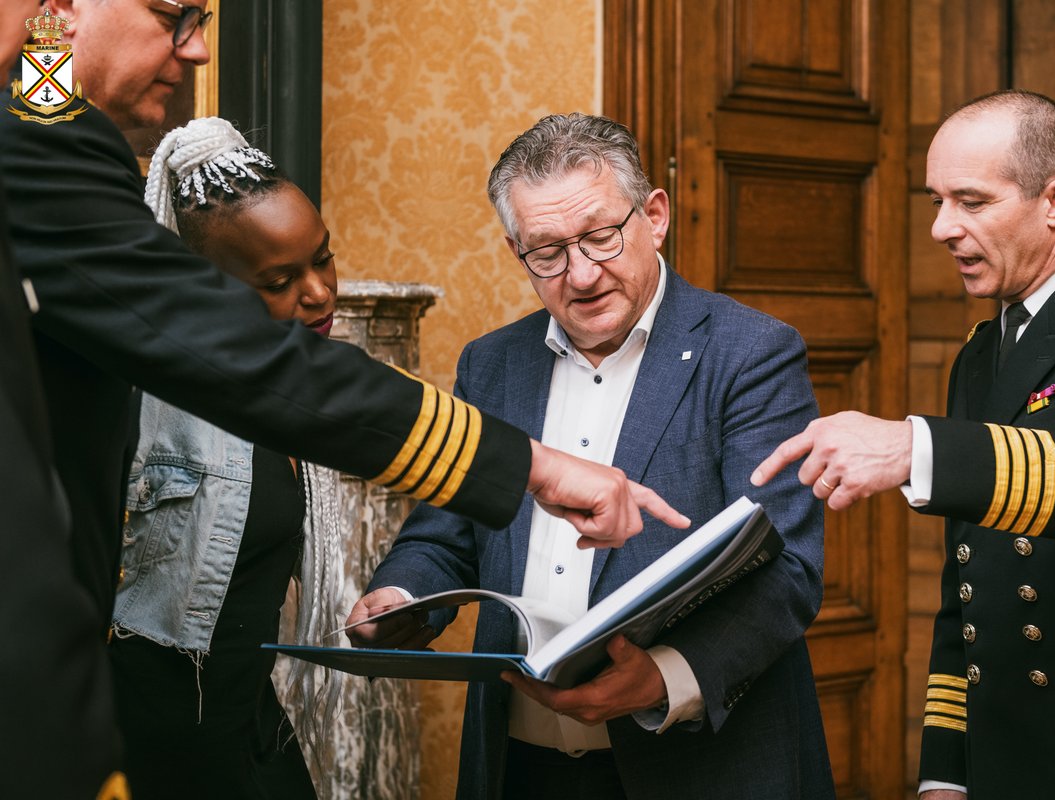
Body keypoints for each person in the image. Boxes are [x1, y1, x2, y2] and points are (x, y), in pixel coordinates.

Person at [1, 0, 685, 642]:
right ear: (60, 5)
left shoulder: (40, 121)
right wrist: (533, 466)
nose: (199, 48)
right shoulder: (37, 139)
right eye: (172, 15)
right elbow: (244, 355)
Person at [347, 113, 835, 800]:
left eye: (601, 238)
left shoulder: (750, 353)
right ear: (516, 248)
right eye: (546, 252)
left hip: (694, 764)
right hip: (521, 762)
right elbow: (445, 534)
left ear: (654, 216)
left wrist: (665, 675)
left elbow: (786, 570)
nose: (579, 275)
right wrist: (399, 596)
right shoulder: (492, 364)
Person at [753, 90, 1055, 799]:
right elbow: (971, 592)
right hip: (1004, 761)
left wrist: (914, 448)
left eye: (970, 201)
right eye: (937, 200)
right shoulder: (982, 354)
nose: (940, 228)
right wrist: (944, 770)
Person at [105, 117, 350, 799]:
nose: (320, 292)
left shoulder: (289, 393)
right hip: (148, 761)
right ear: (201, 285)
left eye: (322, 257)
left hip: (252, 742)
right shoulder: (134, 401)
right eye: (279, 279)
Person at [0, 2, 125, 797]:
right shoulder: (47, 116)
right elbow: (48, 117)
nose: (196, 49)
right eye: (175, 17)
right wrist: (49, 35)